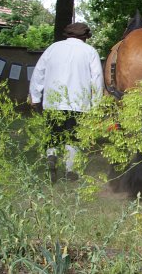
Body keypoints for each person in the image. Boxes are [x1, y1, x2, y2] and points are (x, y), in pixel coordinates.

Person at [29, 22, 104, 183]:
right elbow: (97, 79)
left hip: (53, 101)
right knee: (73, 136)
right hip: (78, 103)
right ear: (85, 37)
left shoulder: (52, 48)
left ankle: (51, 156)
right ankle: (70, 170)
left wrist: (35, 97)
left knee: (53, 133)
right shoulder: (90, 51)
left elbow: (38, 72)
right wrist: (97, 103)